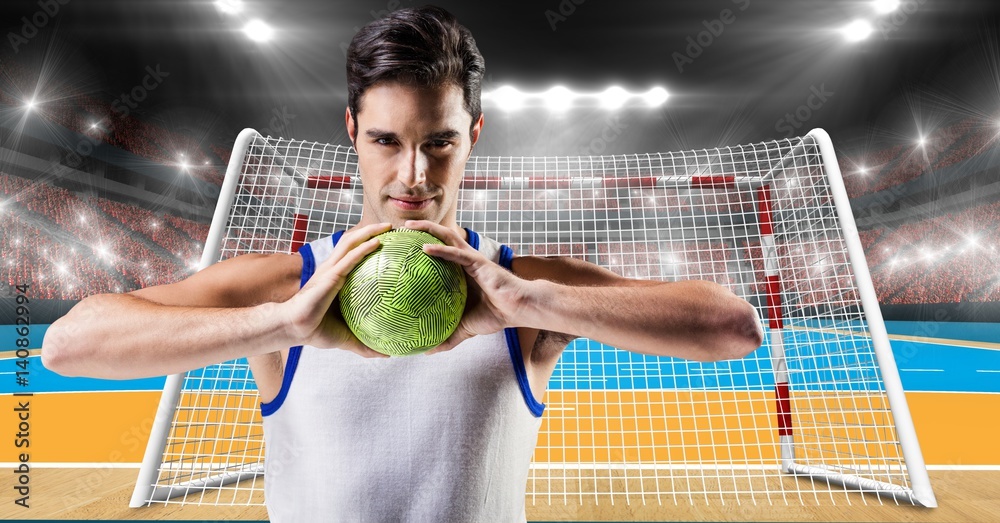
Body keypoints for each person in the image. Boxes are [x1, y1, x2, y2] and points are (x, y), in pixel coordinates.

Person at [41, 5, 764, 522]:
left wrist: (537, 306)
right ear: (352, 130)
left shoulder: (521, 286)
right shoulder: (286, 285)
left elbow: (734, 328)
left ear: (474, 134)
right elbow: (67, 343)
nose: (413, 174)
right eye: (387, 140)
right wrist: (281, 325)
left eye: (440, 142)